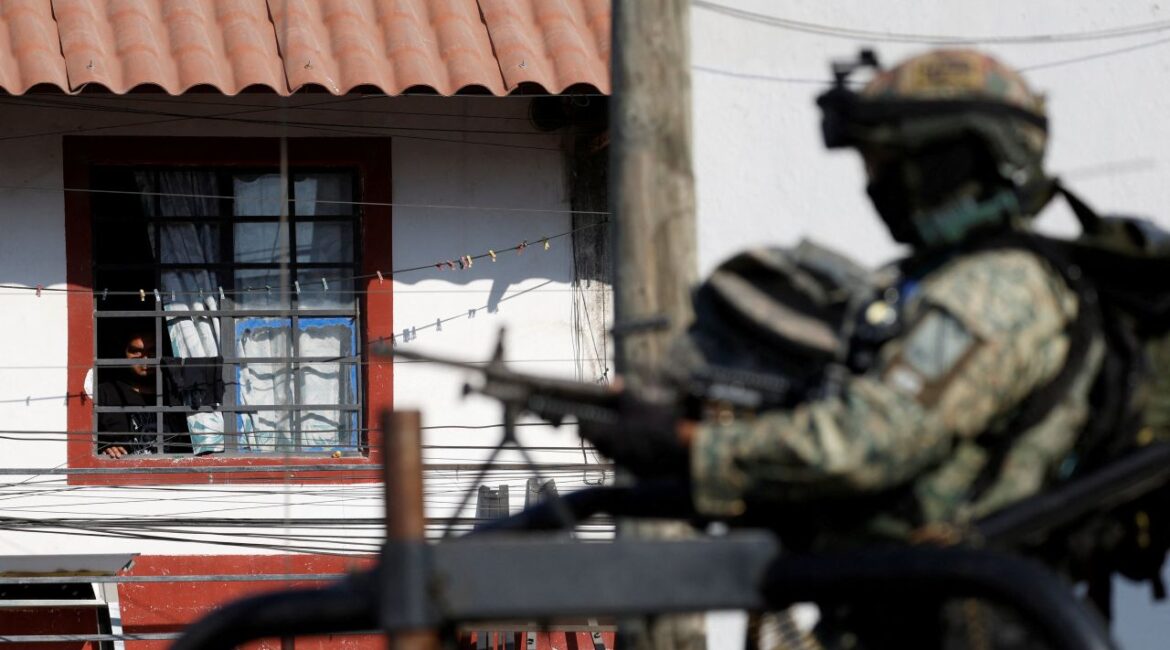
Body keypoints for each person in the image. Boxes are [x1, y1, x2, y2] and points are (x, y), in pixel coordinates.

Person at [580, 49, 1108, 646]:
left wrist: (693, 448)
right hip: (903, 609)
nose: (876, 186)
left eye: (890, 163)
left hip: (956, 623)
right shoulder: (941, 281)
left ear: (951, 160)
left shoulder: (995, 290)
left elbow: (870, 440)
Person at [97, 330, 191, 458]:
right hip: (127, 476)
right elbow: (88, 443)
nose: (146, 360)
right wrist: (106, 449)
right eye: (136, 352)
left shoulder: (178, 392)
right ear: (123, 353)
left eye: (152, 352)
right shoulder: (105, 394)